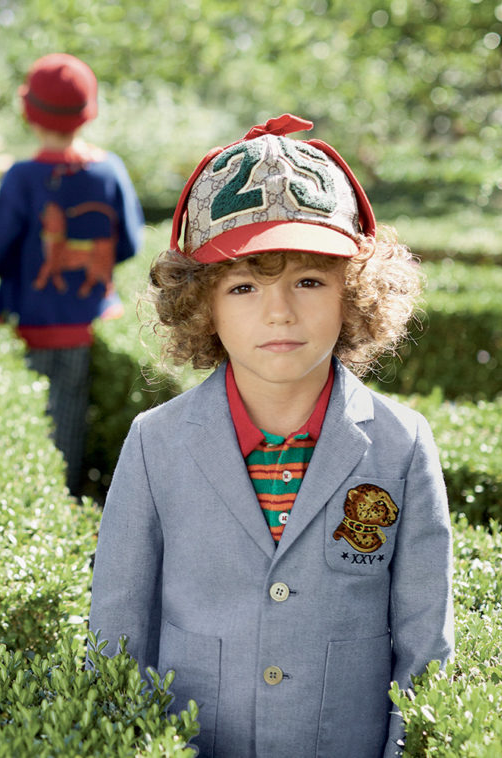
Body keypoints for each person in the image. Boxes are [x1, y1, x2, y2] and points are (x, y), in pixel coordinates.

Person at [89, 114, 454, 757]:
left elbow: (426, 646)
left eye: (309, 280)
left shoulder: (402, 445)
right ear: (201, 304)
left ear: (356, 293)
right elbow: (117, 635)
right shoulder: (155, 443)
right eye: (245, 285)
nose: (279, 311)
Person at [0, 53, 144, 495]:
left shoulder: (22, 177)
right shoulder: (110, 171)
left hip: (27, 322)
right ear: (88, 113)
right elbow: (127, 243)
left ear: (28, 112)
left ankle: (30, 501)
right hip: (88, 321)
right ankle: (66, 497)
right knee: (71, 414)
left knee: (24, 418)